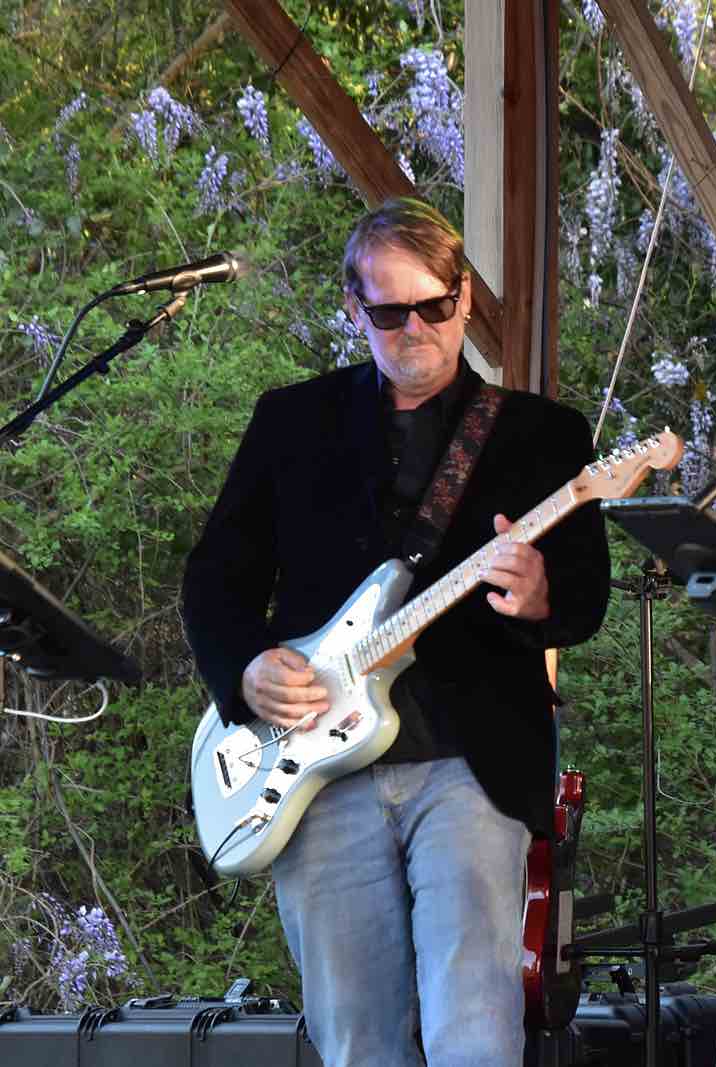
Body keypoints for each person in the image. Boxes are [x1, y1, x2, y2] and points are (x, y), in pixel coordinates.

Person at [182, 197, 610, 1067]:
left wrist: (538, 596)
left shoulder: (541, 436)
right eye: (389, 312)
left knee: (474, 1035)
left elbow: (586, 597)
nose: (415, 328)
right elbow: (213, 580)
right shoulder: (290, 423)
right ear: (353, 308)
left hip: (470, 764)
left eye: (436, 306)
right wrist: (248, 670)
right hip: (317, 773)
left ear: (464, 297)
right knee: (356, 1040)